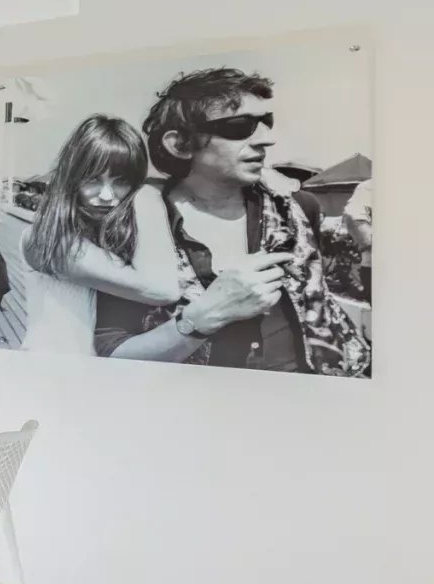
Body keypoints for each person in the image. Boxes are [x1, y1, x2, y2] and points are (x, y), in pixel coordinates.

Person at [93, 67, 368, 376]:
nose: (267, 139)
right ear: (180, 144)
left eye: (266, 122)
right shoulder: (132, 228)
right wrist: (205, 316)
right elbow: (113, 353)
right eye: (239, 126)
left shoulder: (300, 208)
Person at [17, 115, 180, 353]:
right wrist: (148, 196)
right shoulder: (45, 239)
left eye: (121, 182)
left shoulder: (113, 237)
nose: (106, 195)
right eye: (93, 180)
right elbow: (163, 289)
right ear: (71, 179)